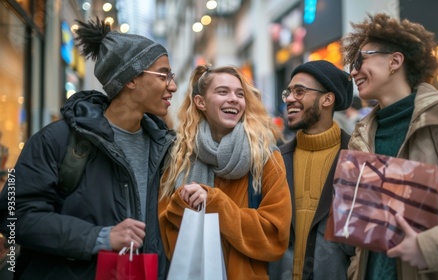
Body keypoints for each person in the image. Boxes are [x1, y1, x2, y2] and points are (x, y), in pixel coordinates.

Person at [0, 18, 176, 279]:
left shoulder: (165, 147)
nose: (172, 85)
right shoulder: (57, 140)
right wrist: (100, 237)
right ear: (130, 79)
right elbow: (14, 215)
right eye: (163, 75)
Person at [342, 13, 438, 280]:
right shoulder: (362, 134)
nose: (353, 71)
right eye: (351, 65)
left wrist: (429, 248)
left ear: (395, 61)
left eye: (360, 59)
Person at [158, 65, 292, 279]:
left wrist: (216, 204)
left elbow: (276, 237)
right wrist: (183, 204)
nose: (234, 99)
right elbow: (165, 231)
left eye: (240, 94)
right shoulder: (179, 157)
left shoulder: (265, 157)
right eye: (223, 92)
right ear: (201, 102)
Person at [268, 60, 356, 280]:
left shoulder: (357, 159)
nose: (289, 99)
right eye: (288, 92)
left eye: (300, 91)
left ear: (327, 99)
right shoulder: (275, 160)